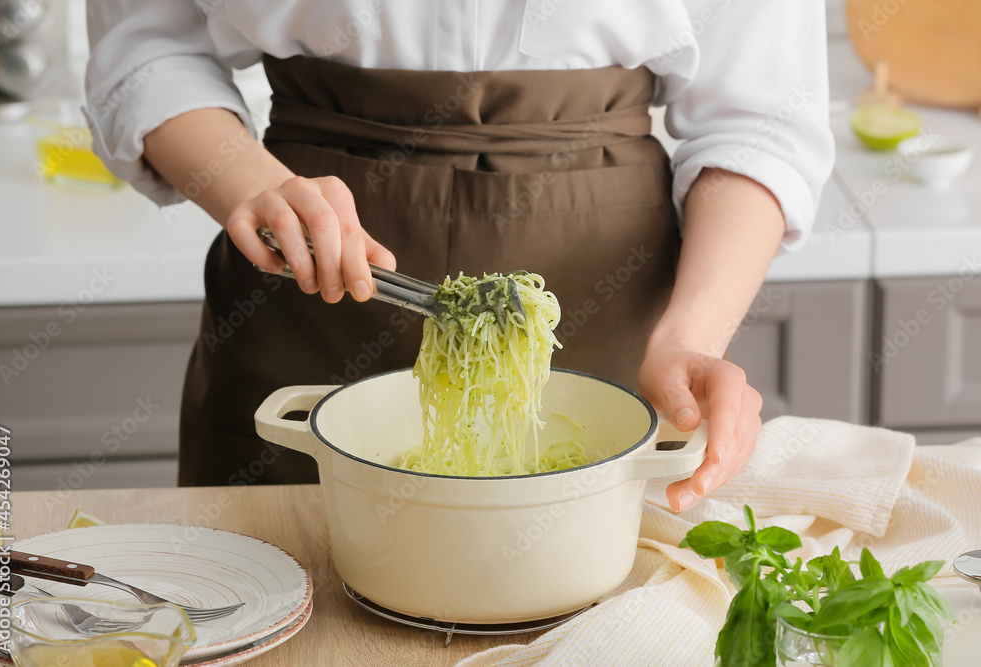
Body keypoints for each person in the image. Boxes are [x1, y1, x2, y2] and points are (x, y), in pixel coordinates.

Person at [85, 0, 834, 512]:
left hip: (614, 321)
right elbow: (149, 44)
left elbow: (761, 120)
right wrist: (252, 185)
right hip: (302, 291)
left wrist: (691, 338)